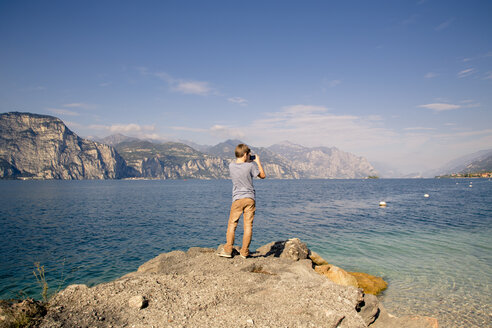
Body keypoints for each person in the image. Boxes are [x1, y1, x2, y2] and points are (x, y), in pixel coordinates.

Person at [219, 143, 266, 258]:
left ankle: (228, 249)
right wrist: (258, 162)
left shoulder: (231, 166)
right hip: (249, 199)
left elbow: (241, 166)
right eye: (248, 154)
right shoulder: (250, 166)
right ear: (245, 154)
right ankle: (244, 252)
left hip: (237, 199)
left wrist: (247, 160)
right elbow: (263, 176)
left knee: (232, 224)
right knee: (248, 226)